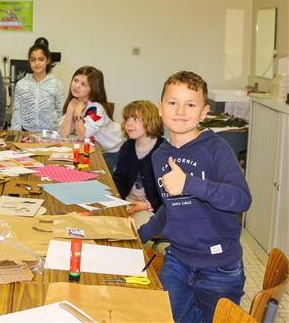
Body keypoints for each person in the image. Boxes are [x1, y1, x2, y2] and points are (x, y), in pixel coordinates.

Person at [138, 71, 252, 323]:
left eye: (190, 104)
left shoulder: (216, 148)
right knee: (162, 317)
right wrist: (140, 236)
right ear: (160, 108)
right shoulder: (160, 155)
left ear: (203, 112)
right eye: (172, 102)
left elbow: (242, 199)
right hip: (178, 260)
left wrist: (189, 183)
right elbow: (171, 207)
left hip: (219, 267)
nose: (180, 110)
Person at [59, 66, 124, 171]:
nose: (76, 86)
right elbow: (63, 133)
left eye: (83, 84)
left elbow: (83, 136)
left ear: (93, 88)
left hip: (114, 150)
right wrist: (71, 108)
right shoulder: (75, 102)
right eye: (75, 80)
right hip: (96, 148)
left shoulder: (96, 108)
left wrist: (78, 112)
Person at [112, 101, 164, 228]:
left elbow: (167, 193)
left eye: (135, 119)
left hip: (151, 207)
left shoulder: (164, 151)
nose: (129, 123)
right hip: (128, 201)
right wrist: (113, 200)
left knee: (130, 230)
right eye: (127, 119)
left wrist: (147, 205)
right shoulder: (127, 147)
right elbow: (119, 179)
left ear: (150, 121)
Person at [10, 43, 63, 131]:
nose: (37, 63)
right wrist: (15, 135)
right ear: (29, 61)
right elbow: (17, 112)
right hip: (26, 134)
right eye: (33, 60)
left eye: (41, 59)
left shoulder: (56, 84)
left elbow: (60, 112)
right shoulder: (21, 84)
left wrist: (59, 134)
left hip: (49, 135)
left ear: (48, 60)